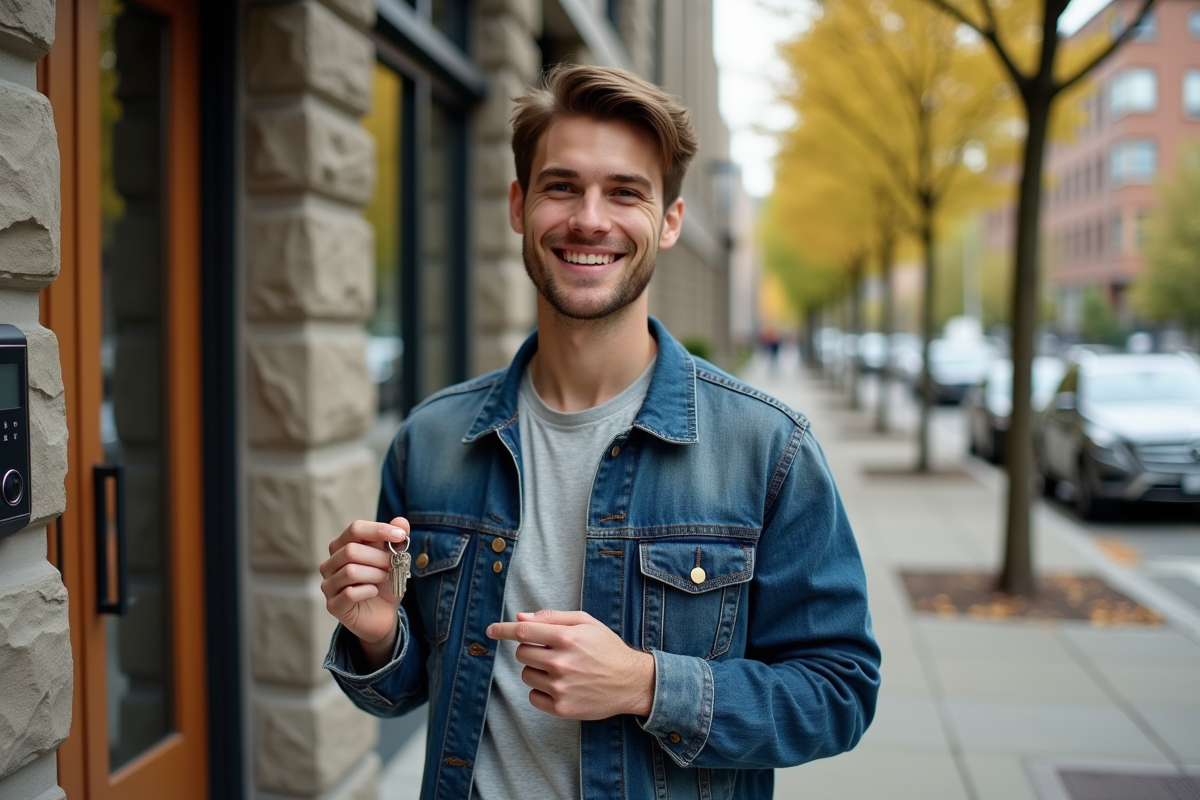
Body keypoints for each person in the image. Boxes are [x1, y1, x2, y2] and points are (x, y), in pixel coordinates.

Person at [319, 64, 880, 800]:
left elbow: (840, 692)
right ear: (520, 206)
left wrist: (647, 685)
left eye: (625, 192)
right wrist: (376, 636)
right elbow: (401, 690)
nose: (589, 218)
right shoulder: (431, 439)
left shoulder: (767, 448)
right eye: (561, 186)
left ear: (670, 221)